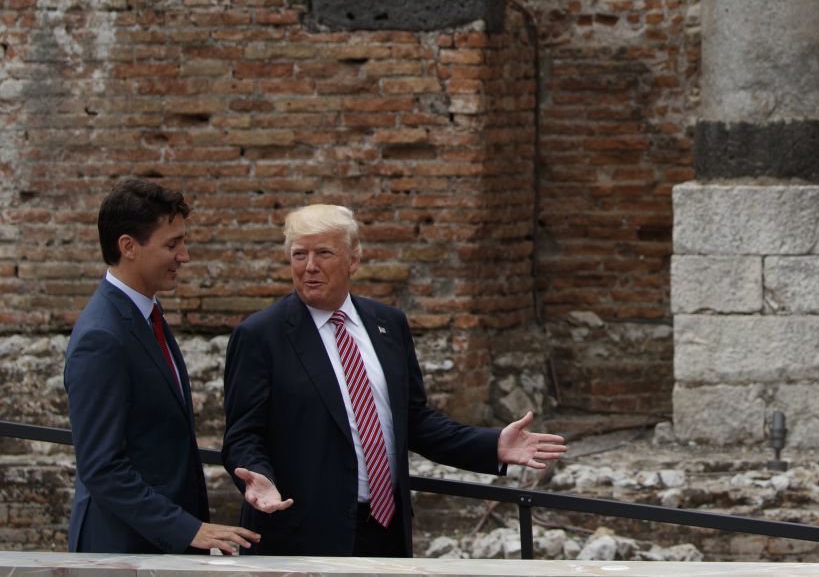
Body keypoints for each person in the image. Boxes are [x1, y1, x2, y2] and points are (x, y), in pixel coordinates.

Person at [221, 204, 567, 557]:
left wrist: (492, 446)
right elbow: (242, 434)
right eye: (299, 254)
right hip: (300, 532)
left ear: (353, 260)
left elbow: (414, 420)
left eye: (324, 253)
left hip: (385, 530)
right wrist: (256, 477)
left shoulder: (388, 324)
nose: (310, 266)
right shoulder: (260, 335)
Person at [64, 179, 260, 554]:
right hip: (121, 550)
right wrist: (188, 529)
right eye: (172, 244)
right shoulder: (102, 337)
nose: (184, 256)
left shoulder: (146, 315)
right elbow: (102, 467)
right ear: (128, 247)